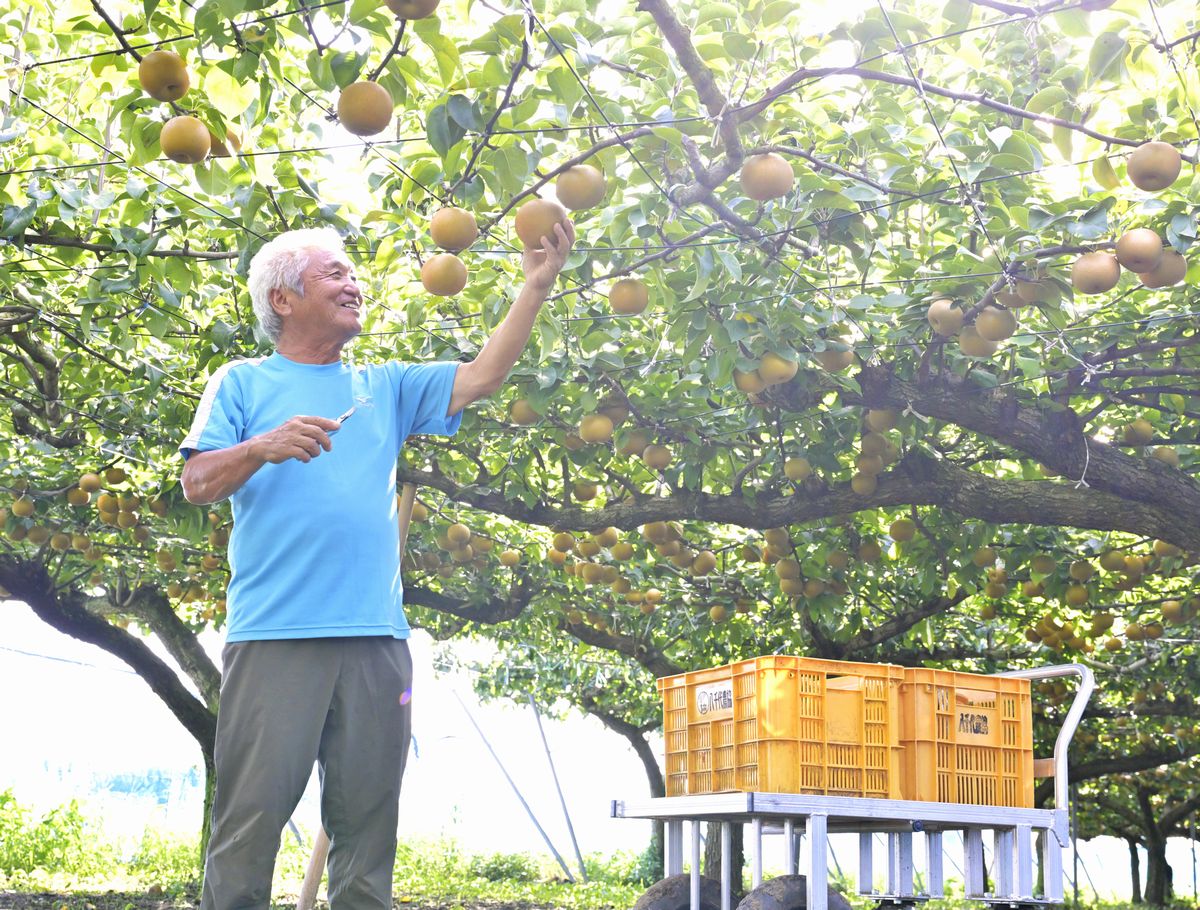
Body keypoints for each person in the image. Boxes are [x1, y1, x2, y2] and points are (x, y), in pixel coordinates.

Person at [179, 218, 574, 909]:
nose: (353, 283)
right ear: (283, 299)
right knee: (248, 826)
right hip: (275, 636)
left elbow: (484, 376)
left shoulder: (383, 384)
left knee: (368, 831)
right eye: (334, 273)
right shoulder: (241, 383)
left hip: (376, 640)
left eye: (352, 273)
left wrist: (534, 289)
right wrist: (261, 446)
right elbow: (197, 482)